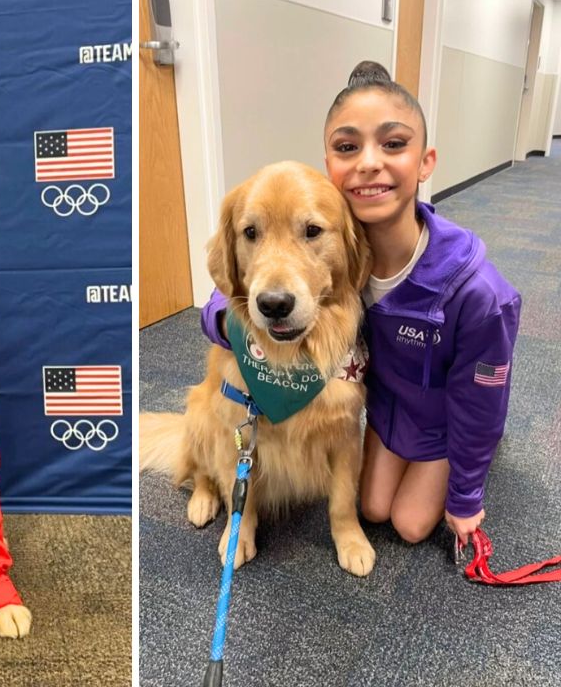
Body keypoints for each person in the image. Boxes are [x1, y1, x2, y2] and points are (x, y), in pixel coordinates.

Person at [199, 61, 521, 547]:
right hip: (389, 412)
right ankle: (215, 486)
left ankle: (455, 460)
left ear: (426, 160)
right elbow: (231, 286)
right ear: (330, 163)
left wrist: (467, 496)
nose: (369, 162)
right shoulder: (337, 229)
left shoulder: (476, 293)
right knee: (374, 506)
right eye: (348, 147)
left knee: (410, 525)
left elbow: (484, 398)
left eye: (393, 143)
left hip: (443, 419)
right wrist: (221, 320)